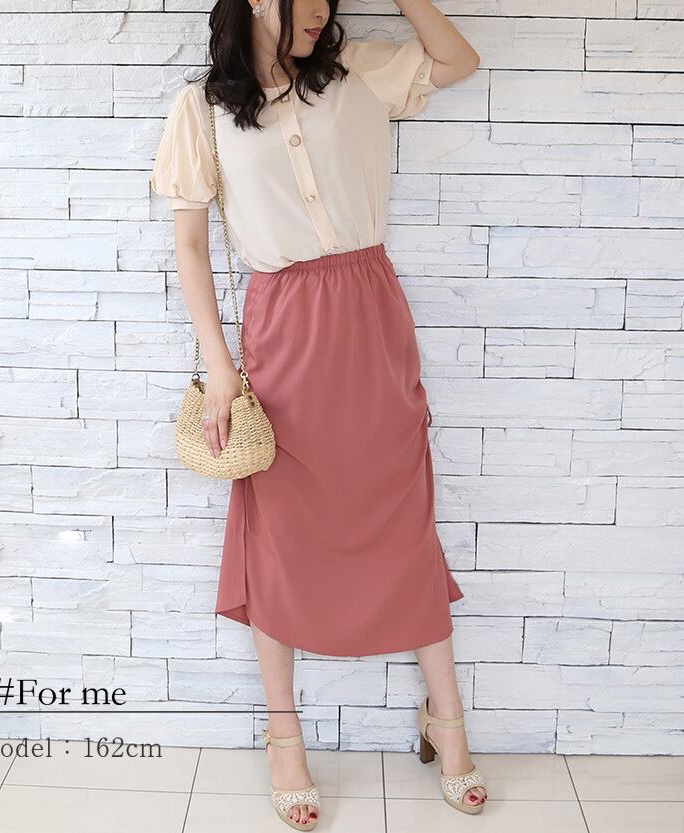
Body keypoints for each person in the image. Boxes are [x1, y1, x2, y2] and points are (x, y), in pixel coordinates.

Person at [150, 0, 483, 827]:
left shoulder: (357, 72)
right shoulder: (201, 108)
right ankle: (284, 735)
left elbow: (457, 61)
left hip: (371, 313)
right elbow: (190, 244)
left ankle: (446, 720)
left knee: (404, 515)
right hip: (284, 327)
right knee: (281, 530)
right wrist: (218, 368)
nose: (321, 11)